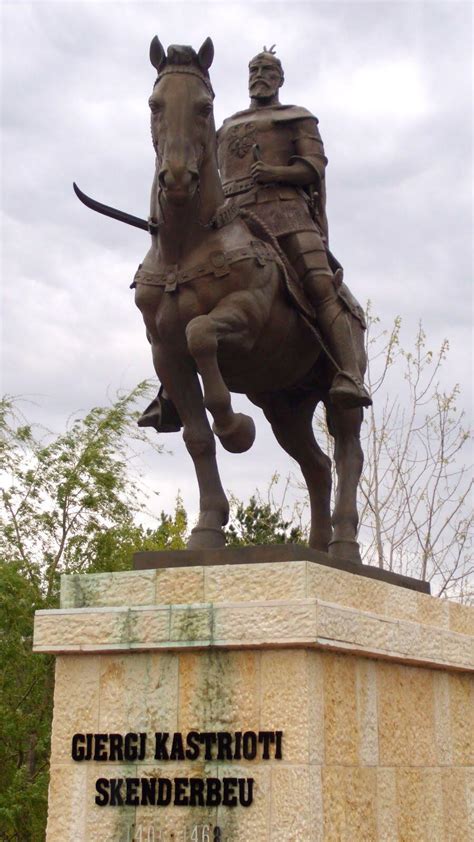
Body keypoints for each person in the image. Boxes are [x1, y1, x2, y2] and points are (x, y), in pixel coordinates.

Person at [216, 46, 371, 410]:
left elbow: (313, 167)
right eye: (254, 69)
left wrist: (275, 173)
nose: (260, 75)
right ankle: (172, 388)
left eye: (268, 70)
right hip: (232, 218)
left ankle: (348, 372)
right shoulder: (225, 127)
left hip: (285, 212)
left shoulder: (296, 118)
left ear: (280, 79)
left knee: (319, 283)